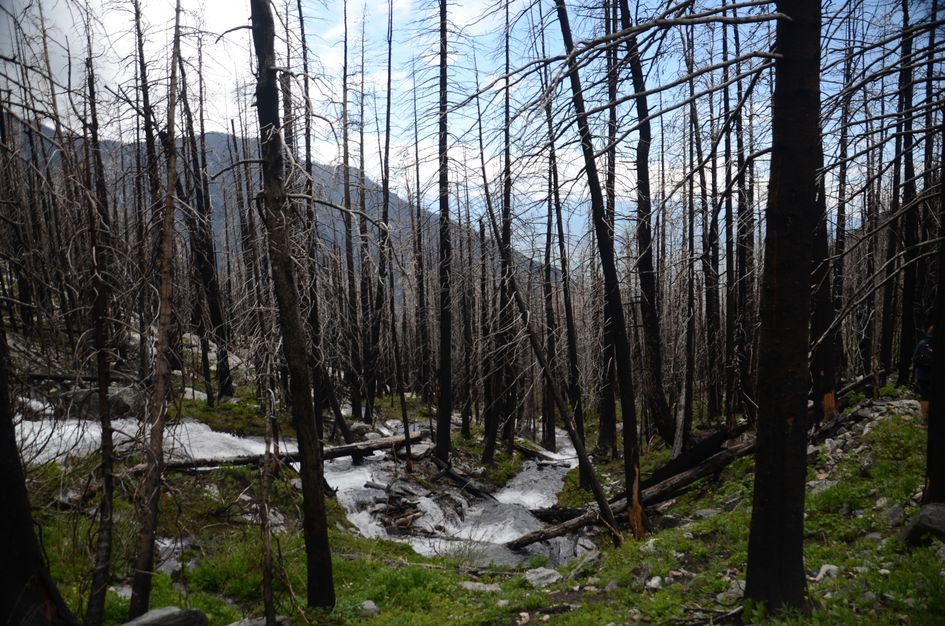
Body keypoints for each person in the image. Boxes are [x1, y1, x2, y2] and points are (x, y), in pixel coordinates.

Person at [913, 326, 934, 422]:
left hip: (923, 374)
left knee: (925, 396)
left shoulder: (923, 343)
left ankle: (925, 419)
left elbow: (915, 359)